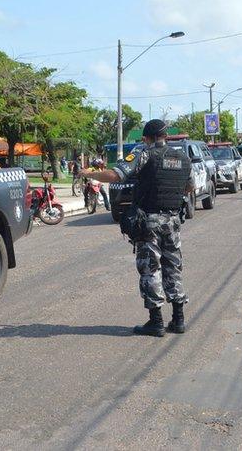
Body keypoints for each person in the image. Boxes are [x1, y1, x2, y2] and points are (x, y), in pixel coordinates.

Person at [88, 119, 195, 337]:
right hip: (173, 221)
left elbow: (115, 175)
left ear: (146, 138)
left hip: (150, 221)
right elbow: (190, 186)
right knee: (173, 267)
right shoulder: (183, 158)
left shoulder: (145, 154)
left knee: (150, 269)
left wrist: (87, 173)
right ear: (166, 136)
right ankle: (179, 320)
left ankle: (156, 322)